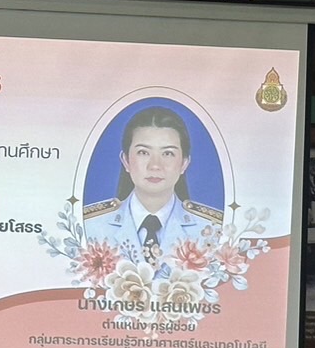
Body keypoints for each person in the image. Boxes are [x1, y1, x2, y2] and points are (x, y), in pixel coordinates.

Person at [83, 106, 222, 264]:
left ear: (184, 163)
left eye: (168, 153)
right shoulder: (92, 226)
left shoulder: (212, 231)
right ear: (126, 160)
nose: (155, 165)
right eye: (143, 152)